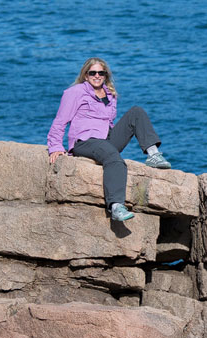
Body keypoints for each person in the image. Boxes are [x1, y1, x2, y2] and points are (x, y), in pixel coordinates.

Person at [47, 57, 171, 222]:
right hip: (85, 141)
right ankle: (116, 206)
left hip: (105, 139)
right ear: (86, 75)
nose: (97, 76)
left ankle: (153, 154)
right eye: (93, 73)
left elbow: (109, 122)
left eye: (101, 73)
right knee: (114, 158)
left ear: (105, 75)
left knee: (137, 112)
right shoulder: (75, 92)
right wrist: (55, 146)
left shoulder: (110, 94)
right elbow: (60, 120)